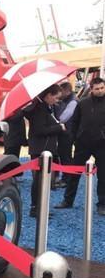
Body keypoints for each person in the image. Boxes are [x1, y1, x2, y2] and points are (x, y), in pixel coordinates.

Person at [55, 77, 105, 215]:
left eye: (102, 88)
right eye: (97, 89)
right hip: (83, 143)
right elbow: (75, 122)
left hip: (102, 145)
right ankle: (67, 200)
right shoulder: (83, 103)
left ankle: (102, 204)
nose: (100, 91)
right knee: (74, 172)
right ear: (91, 89)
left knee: (103, 175)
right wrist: (75, 137)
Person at [24, 84, 65, 217]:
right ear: (48, 95)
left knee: (43, 181)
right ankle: (36, 208)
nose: (57, 100)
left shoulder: (46, 108)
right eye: (56, 97)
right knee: (39, 181)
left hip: (44, 148)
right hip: (40, 149)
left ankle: (40, 207)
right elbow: (40, 130)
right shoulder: (39, 109)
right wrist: (59, 128)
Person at [54, 81, 78, 187]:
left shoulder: (73, 102)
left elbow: (63, 118)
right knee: (64, 155)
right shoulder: (67, 100)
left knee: (65, 156)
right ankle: (67, 177)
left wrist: (55, 122)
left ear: (66, 91)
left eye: (61, 91)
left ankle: (67, 179)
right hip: (66, 132)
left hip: (68, 133)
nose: (59, 94)